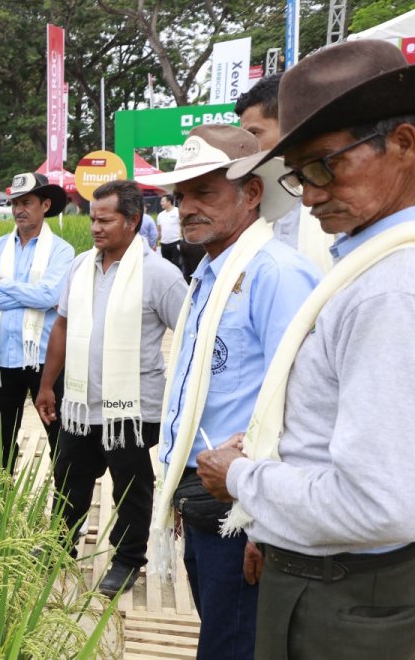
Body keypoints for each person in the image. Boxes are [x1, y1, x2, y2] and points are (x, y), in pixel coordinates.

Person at [197, 39, 415, 659]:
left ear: (403, 144)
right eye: (297, 175)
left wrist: (242, 478)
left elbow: (379, 505)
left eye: (325, 164)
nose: (312, 193)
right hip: (328, 572)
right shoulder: (368, 264)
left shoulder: (390, 290)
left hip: (345, 594)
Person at [137, 125, 321, 659]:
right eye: (182, 196)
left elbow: (296, 403)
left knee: (233, 644)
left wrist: (265, 523)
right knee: (222, 633)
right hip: (205, 495)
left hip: (243, 506)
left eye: (206, 193)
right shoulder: (210, 274)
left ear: (253, 193)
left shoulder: (276, 275)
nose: (188, 207)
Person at [34, 180, 186, 597]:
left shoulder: (160, 275)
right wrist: (48, 385)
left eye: (106, 219)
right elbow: (61, 324)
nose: (95, 227)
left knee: (131, 486)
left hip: (133, 409)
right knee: (68, 477)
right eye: (92, 219)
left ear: (133, 221)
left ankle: (126, 559)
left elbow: (191, 334)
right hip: (81, 401)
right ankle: (57, 546)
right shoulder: (81, 266)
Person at [0, 172, 74, 475]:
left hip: (45, 360)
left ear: (45, 204)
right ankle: (1, 496)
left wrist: (1, 284)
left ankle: (64, 503)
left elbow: (50, 295)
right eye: (14, 203)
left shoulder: (62, 250)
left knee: (57, 432)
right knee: (2, 435)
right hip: (1, 358)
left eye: (27, 202)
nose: (19, 209)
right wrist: (29, 294)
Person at [235, 73, 334, 273]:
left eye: (254, 134)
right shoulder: (255, 203)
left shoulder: (339, 195)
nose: (246, 148)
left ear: (292, 125)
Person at [156, 195, 183, 271]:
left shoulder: (178, 211)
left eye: (163, 201)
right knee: (166, 266)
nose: (161, 203)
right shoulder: (160, 215)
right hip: (164, 244)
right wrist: (156, 242)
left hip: (176, 242)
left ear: (169, 202)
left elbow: (183, 225)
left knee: (177, 264)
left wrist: (182, 237)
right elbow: (159, 230)